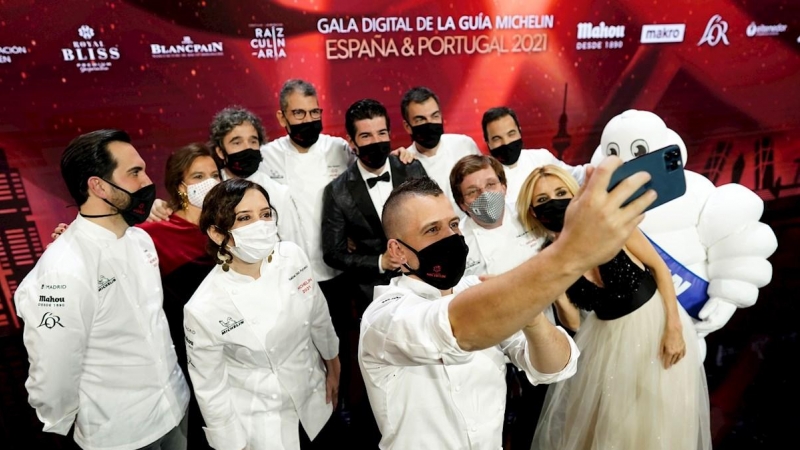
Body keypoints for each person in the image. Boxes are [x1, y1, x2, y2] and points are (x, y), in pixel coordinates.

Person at [357, 151, 659, 449]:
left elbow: (554, 367)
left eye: (452, 225)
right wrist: (571, 252)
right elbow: (456, 329)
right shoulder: (384, 316)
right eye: (432, 230)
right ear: (396, 251)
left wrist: (530, 316)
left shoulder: (478, 290)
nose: (449, 238)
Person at [15, 129, 190, 449]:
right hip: (120, 433)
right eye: (135, 173)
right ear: (97, 185)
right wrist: (59, 421)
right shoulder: (62, 268)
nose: (147, 182)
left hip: (175, 408)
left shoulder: (142, 241)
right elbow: (53, 368)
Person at [517, 165, 711, 450]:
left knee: (661, 424)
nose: (555, 202)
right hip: (604, 341)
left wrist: (674, 327)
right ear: (534, 212)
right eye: (544, 200)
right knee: (613, 431)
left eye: (561, 193)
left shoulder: (611, 225)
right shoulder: (548, 258)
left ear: (575, 195)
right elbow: (572, 323)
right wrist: (554, 278)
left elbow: (659, 268)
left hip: (654, 326)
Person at [184, 178, 340, 450]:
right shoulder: (203, 307)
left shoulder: (292, 256)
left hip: (317, 399)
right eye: (245, 218)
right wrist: (230, 444)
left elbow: (318, 314)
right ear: (218, 234)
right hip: (263, 425)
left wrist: (333, 363)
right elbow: (211, 389)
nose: (261, 225)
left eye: (266, 214)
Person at [450, 154, 581, 448]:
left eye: (491, 184)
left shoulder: (530, 216)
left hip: (548, 330)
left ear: (505, 186)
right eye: (473, 192)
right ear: (462, 203)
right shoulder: (457, 243)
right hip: (493, 342)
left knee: (555, 410)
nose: (486, 195)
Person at [322, 98, 428, 314]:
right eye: (366, 136)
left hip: (424, 282)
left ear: (390, 133)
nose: (376, 141)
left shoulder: (412, 168)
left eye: (381, 133)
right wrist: (380, 261)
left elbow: (433, 218)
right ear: (351, 142)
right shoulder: (337, 191)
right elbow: (333, 254)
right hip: (372, 295)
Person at [401, 86, 481, 216]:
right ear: (407, 127)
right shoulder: (405, 162)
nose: (430, 123)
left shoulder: (464, 145)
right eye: (420, 119)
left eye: (435, 116)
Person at [481, 106, 586, 202]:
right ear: (488, 143)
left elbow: (576, 176)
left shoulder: (541, 158)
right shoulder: (482, 178)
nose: (506, 142)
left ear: (520, 132)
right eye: (497, 138)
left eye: (511, 134)